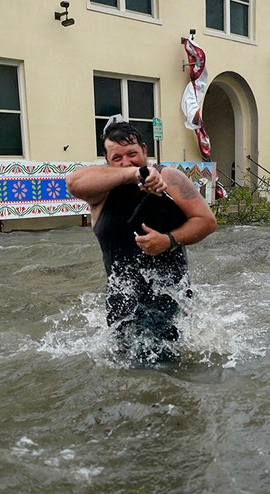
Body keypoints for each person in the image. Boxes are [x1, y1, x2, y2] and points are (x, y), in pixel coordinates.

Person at [66, 118, 217, 364]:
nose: (126, 161)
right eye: (117, 158)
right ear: (107, 161)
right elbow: (73, 183)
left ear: (145, 151)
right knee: (124, 370)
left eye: (133, 154)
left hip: (168, 296)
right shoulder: (100, 192)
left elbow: (206, 221)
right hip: (121, 302)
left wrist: (168, 240)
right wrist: (132, 174)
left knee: (165, 371)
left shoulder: (170, 179)